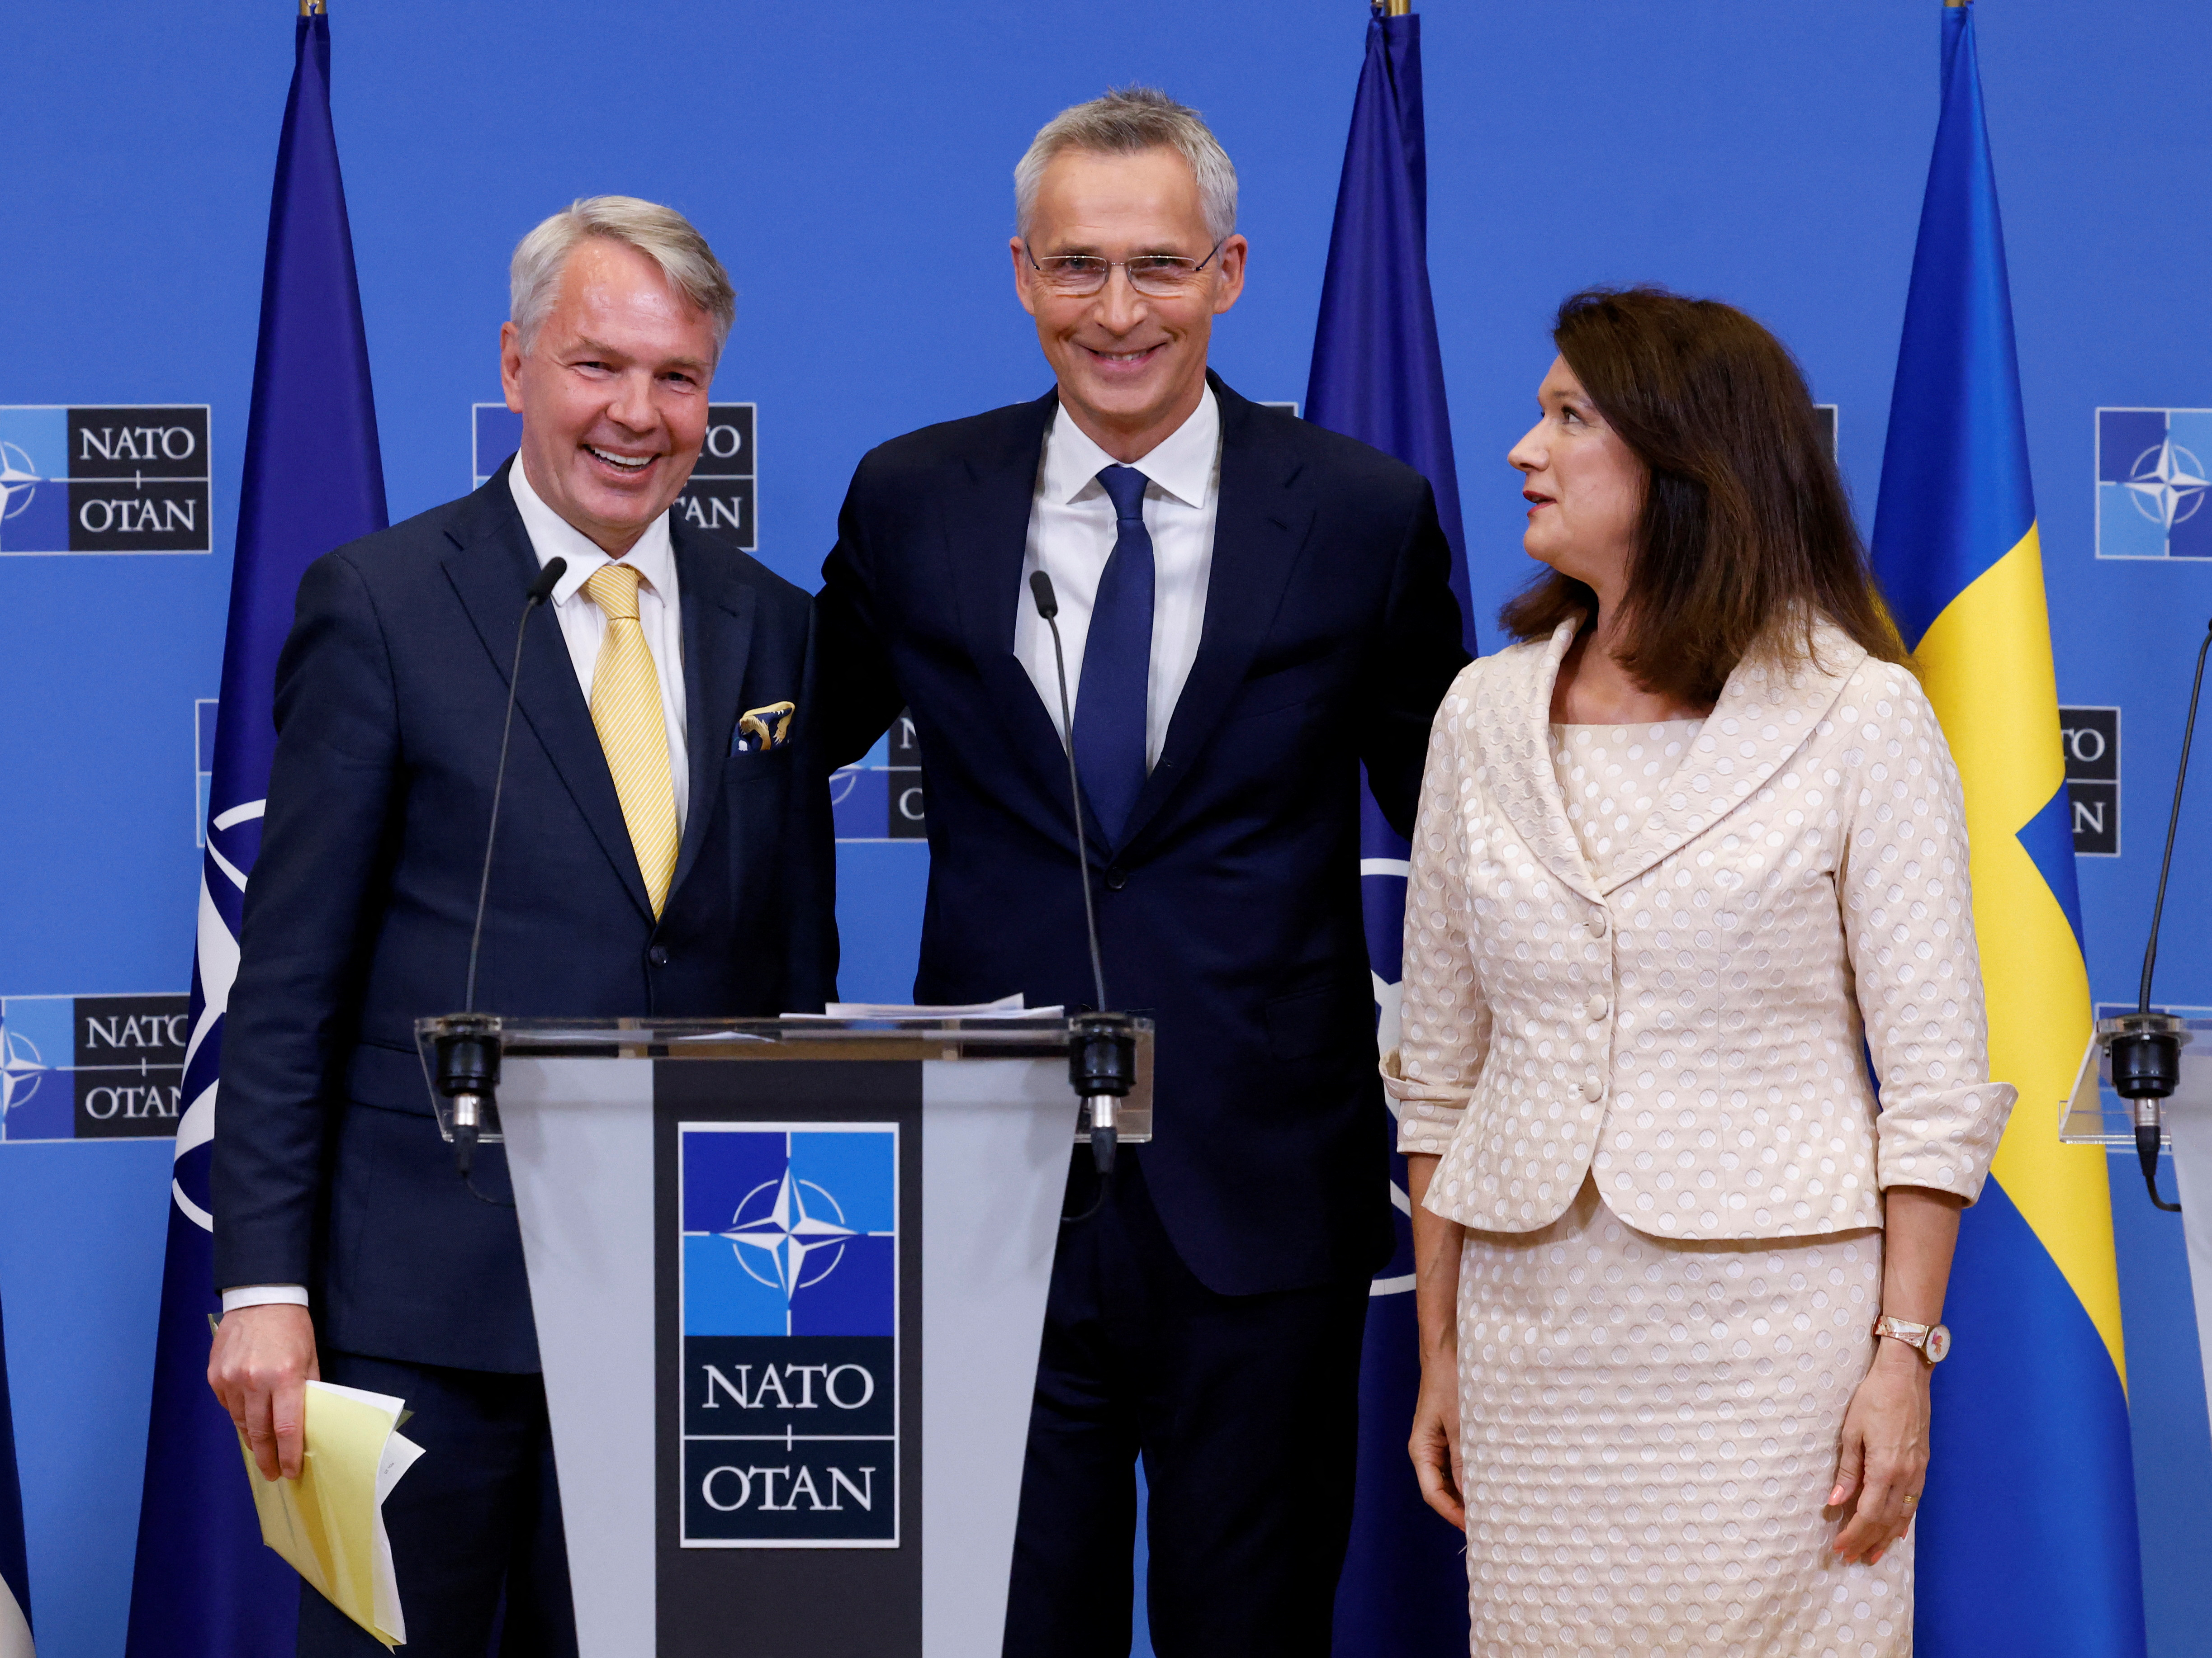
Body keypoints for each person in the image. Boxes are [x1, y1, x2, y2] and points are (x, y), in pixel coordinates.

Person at [815, 89, 1470, 1655]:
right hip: (989, 1193)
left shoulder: (1362, 516)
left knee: (1250, 1626)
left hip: (1262, 1193)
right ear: (1023, 274)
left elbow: (1463, 832)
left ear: (1229, 272)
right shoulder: (914, 498)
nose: (1118, 313)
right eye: (1078, 267)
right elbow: (768, 762)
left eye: (1159, 267)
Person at [206, 197, 835, 1657]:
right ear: (514, 365)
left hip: (699, 1306)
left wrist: (801, 1292)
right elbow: (288, 981)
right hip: (421, 1307)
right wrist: (265, 1287)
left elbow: (794, 976)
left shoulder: (773, 628)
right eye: (596, 367)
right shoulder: (377, 604)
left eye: (677, 377)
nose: (638, 414)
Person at [1392, 286, 2016, 1655]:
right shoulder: (1479, 711)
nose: (1520, 448)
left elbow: (1929, 1089)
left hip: (1775, 1350)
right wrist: (1441, 1350)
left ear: (1687, 464)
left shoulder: (1859, 715)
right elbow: (1436, 1077)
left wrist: (1899, 1360)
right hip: (1533, 1339)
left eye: (1568, 417)